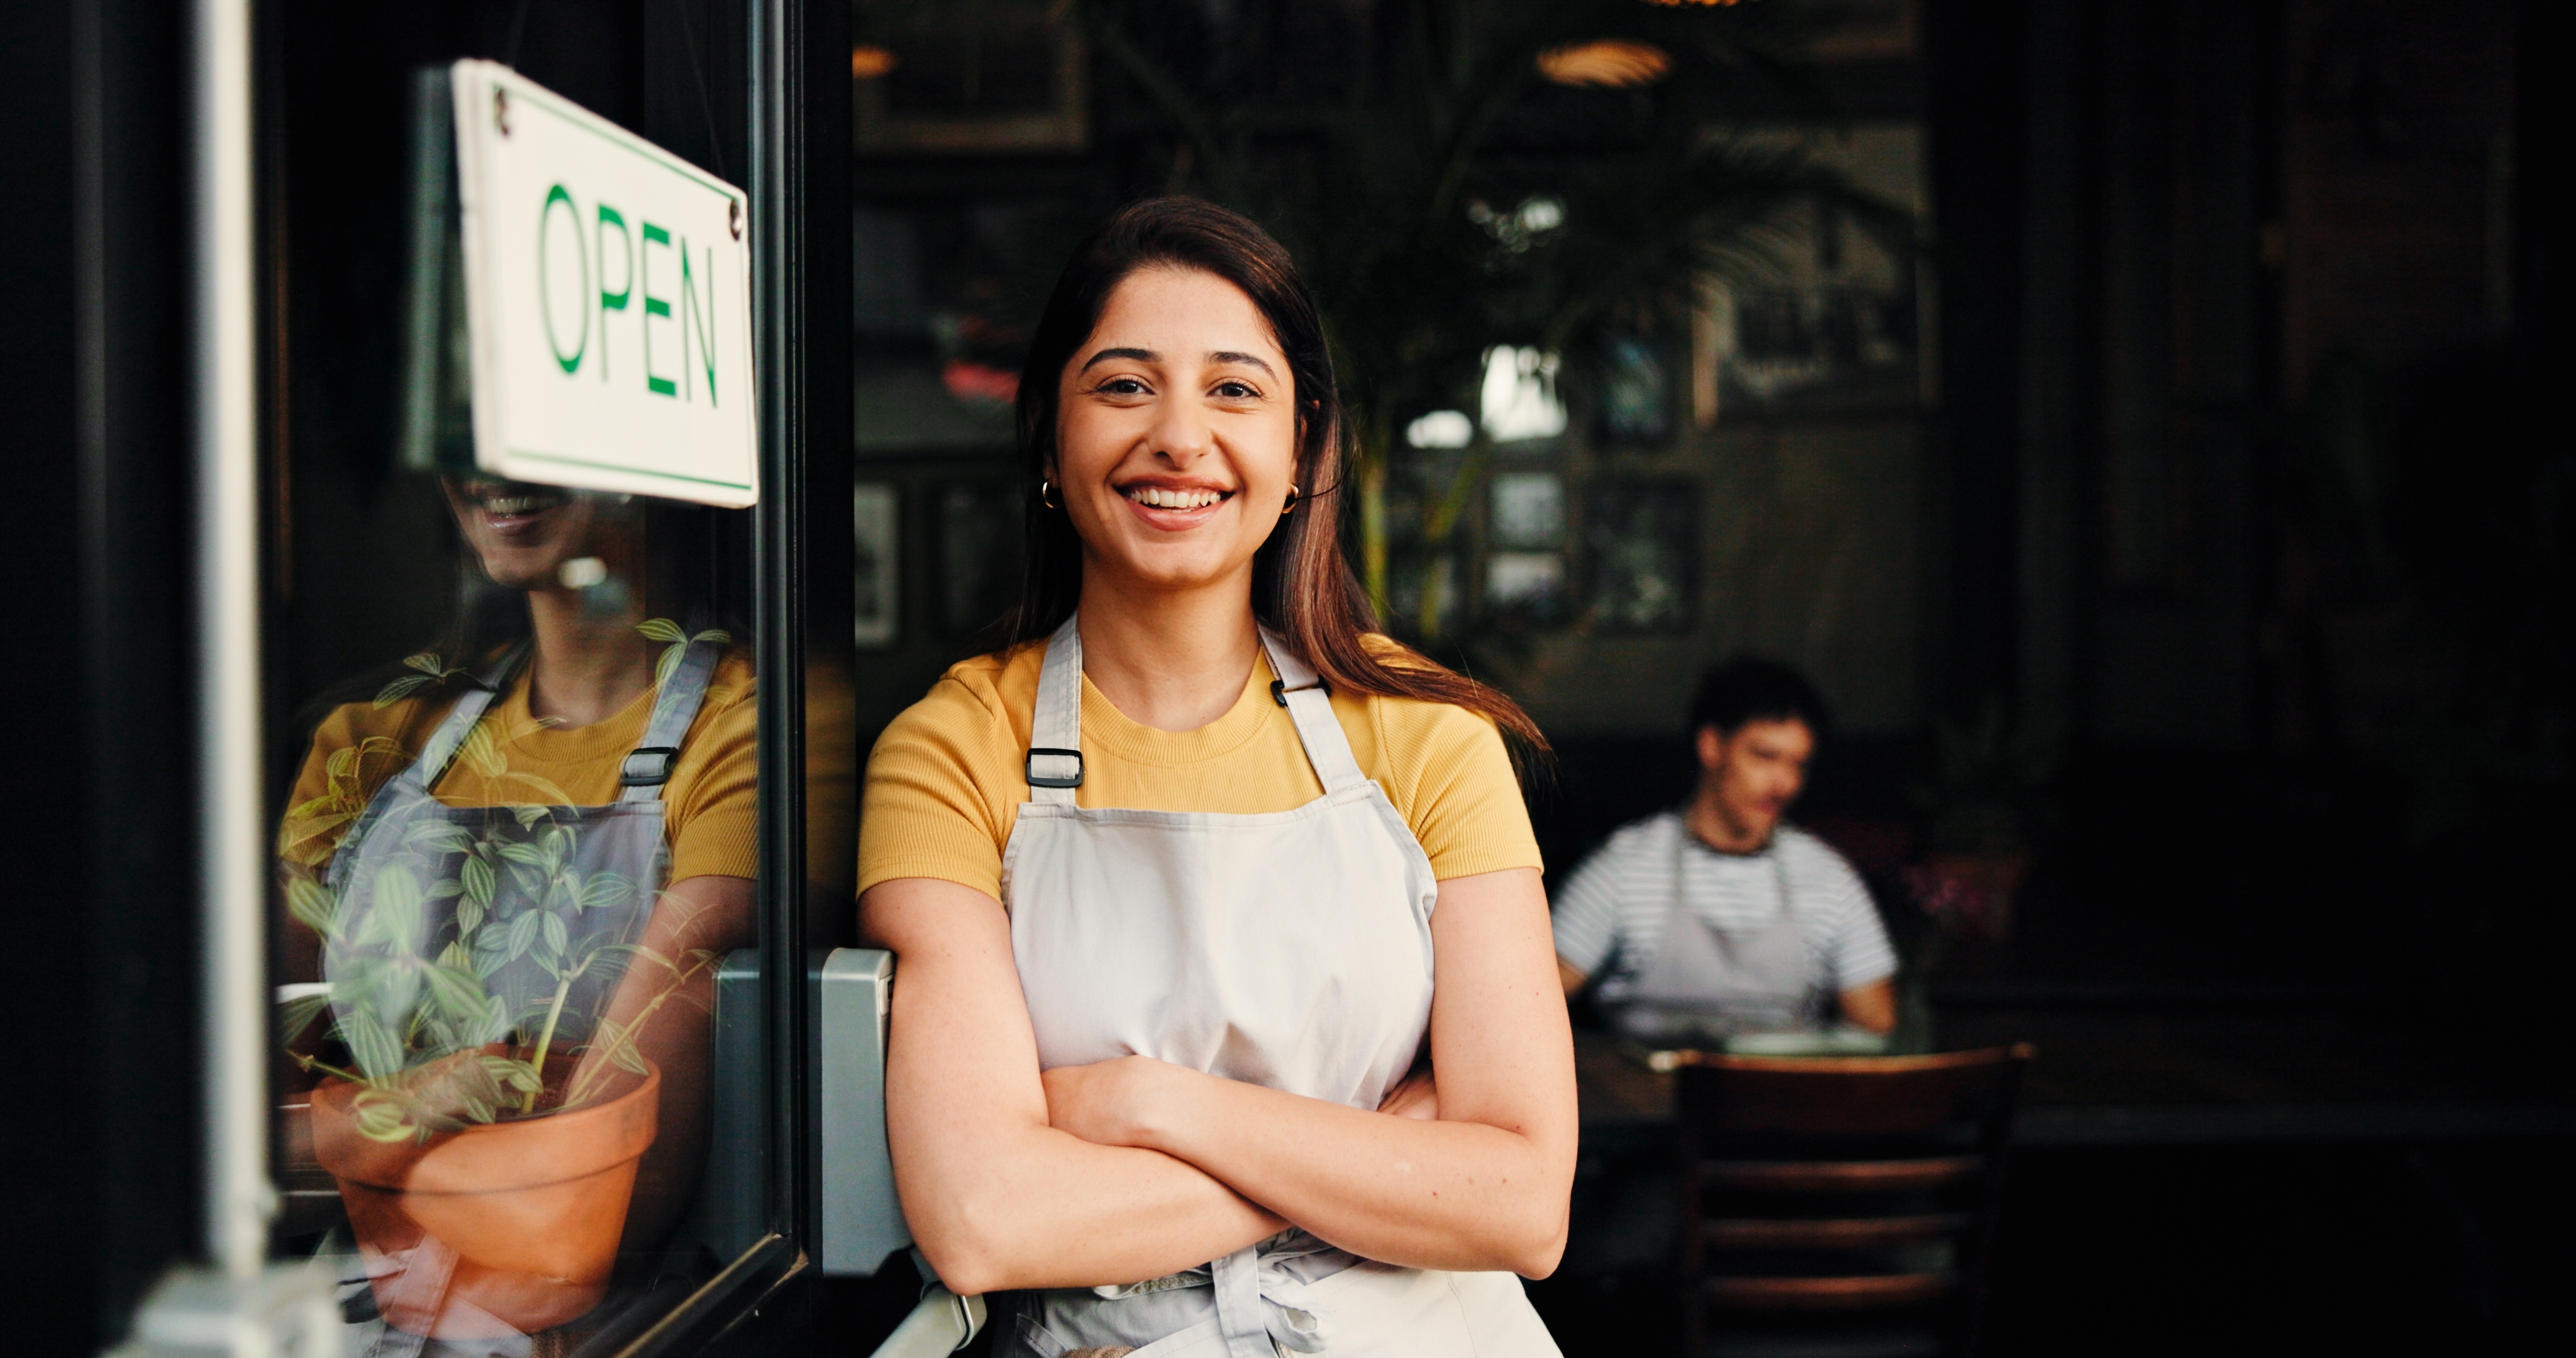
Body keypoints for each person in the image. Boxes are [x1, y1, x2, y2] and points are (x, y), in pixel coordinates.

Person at [858, 197, 1576, 1358]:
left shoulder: (1429, 736)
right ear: (1049, 438)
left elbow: (1524, 1206)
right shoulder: (951, 747)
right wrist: (1375, 1161)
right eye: (1125, 385)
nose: (1180, 439)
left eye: (1235, 390)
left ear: (1300, 451)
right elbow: (985, 1219)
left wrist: (1153, 1107)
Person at [278, 477, 757, 1278]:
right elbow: (206, 1159)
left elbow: (589, 1206)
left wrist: (341, 1134)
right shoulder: (370, 744)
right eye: (467, 430)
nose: (489, 470)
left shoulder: (755, 734)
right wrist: (428, 1102)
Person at [1550, 658, 1897, 1042]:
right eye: (1765, 756)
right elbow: (1536, 1000)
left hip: (1780, 1094)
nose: (1784, 784)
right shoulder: (1624, 870)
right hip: (1649, 1097)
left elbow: (1876, 1027)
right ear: (1711, 746)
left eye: (1797, 764)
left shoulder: (1829, 879)